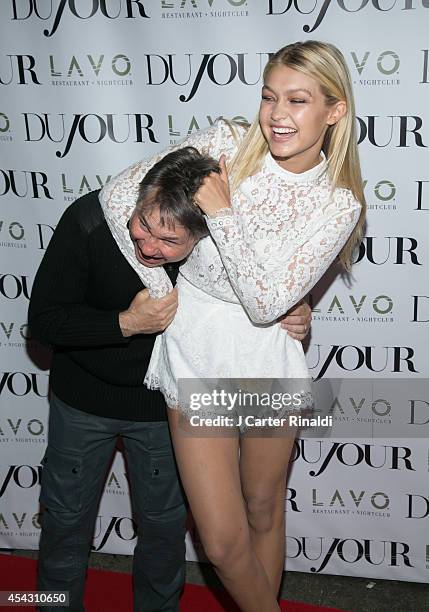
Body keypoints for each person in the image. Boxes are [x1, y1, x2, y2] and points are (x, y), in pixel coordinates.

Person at [100, 40, 366, 611]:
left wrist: (222, 214)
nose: (277, 114)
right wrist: (162, 289)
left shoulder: (337, 205)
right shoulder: (224, 142)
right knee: (220, 541)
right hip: (195, 354)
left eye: (297, 100)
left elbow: (267, 302)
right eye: (270, 96)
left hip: (267, 361)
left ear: (334, 110)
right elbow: (121, 192)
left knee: (264, 509)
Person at [28, 147, 312, 612]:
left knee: (163, 533)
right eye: (143, 223)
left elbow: (257, 296)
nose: (149, 245)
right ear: (136, 199)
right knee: (63, 524)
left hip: (165, 407)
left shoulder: (221, 245)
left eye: (170, 240)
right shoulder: (88, 219)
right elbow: (43, 321)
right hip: (82, 402)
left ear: (201, 237)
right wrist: (125, 323)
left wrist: (296, 313)